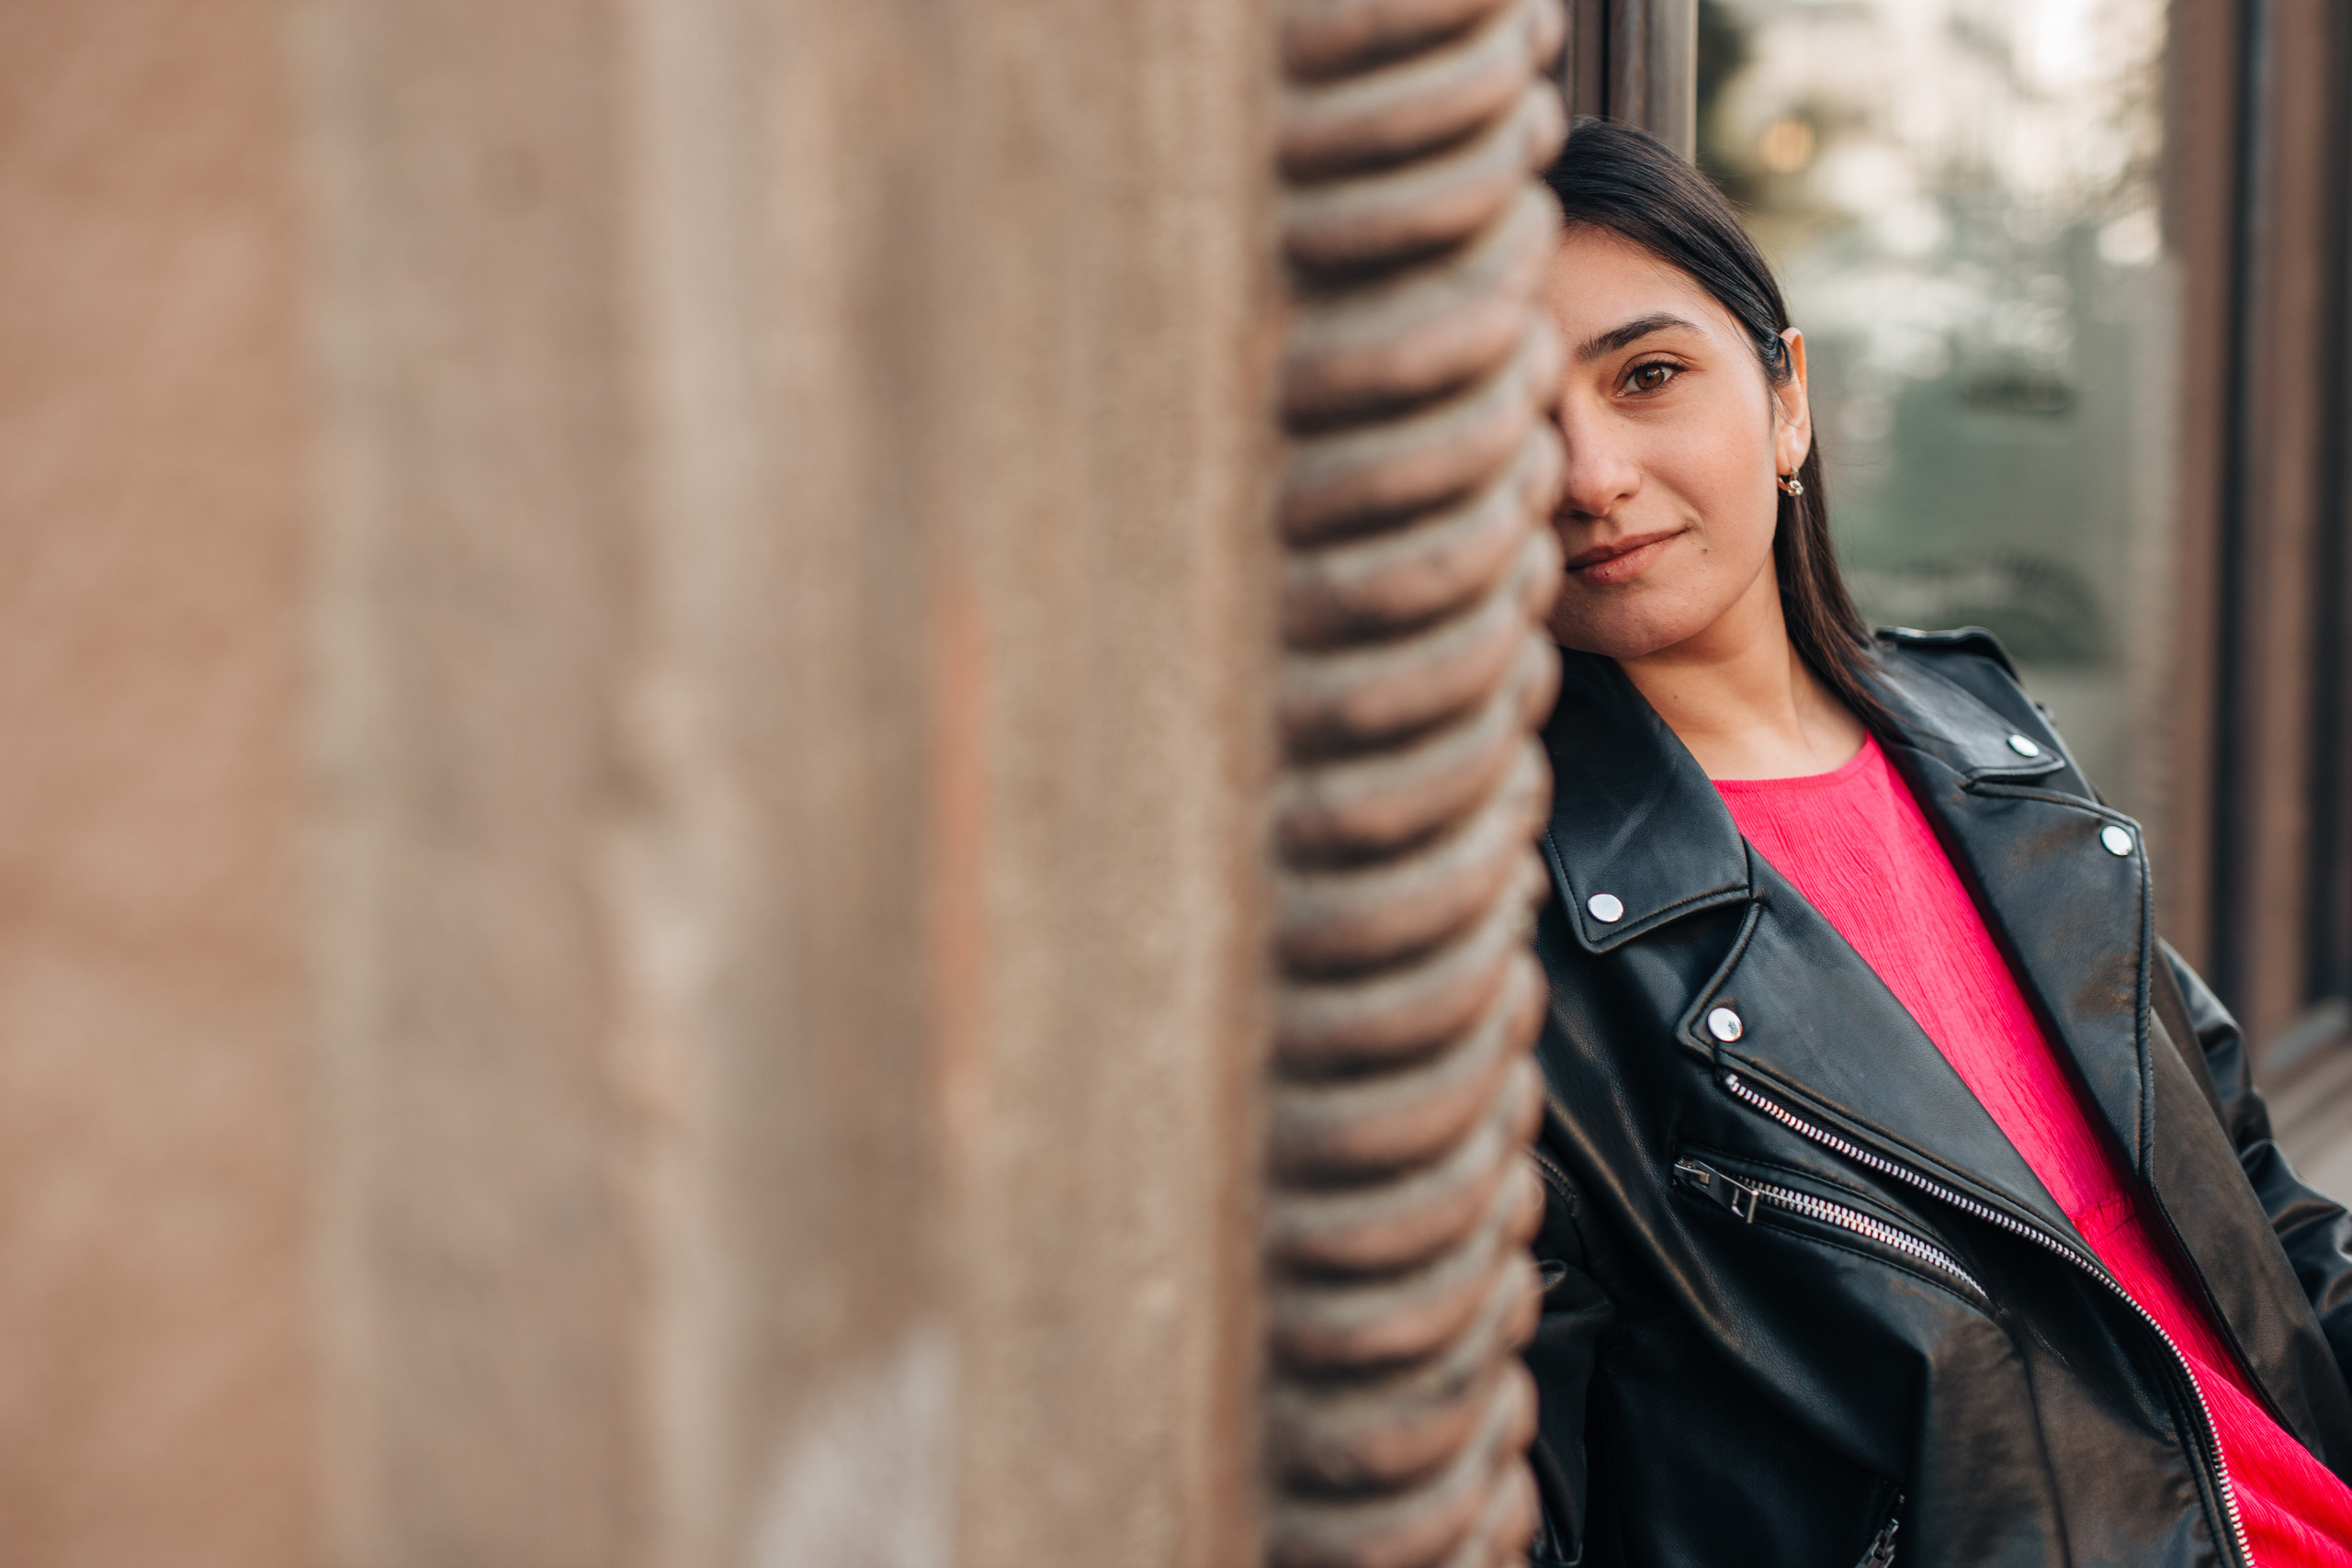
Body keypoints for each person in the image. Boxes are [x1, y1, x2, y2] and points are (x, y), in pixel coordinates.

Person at [1523, 118, 2352, 1568]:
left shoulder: (1982, 741)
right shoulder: (1507, 927)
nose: (1591, 473)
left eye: (1648, 376)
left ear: (1788, 403)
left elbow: (2262, 1223)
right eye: (1509, 416)